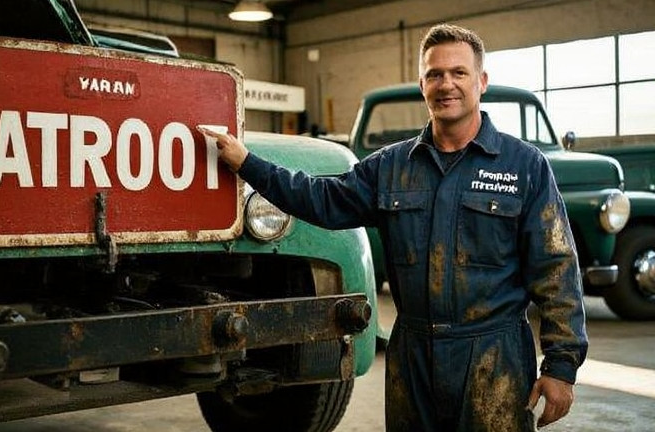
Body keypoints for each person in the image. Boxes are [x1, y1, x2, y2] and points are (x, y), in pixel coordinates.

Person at [199, 23, 587, 432]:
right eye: (435, 74)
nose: (446, 84)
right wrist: (248, 164)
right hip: (413, 358)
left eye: (459, 72)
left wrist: (561, 366)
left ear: (482, 81)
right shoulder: (391, 167)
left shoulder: (524, 166)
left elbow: (556, 268)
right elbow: (320, 199)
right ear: (422, 85)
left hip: (494, 356)